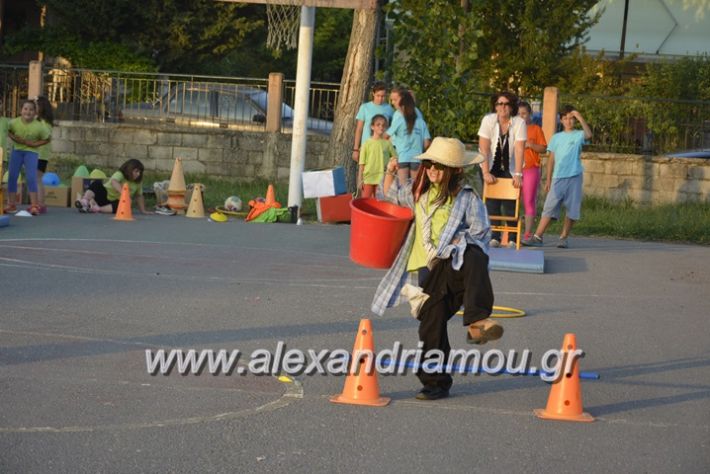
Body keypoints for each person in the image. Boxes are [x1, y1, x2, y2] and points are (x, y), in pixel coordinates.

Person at [371, 137, 502, 401]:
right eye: (430, 165)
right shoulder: (417, 194)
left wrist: (459, 241)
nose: (433, 171)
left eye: (440, 166)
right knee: (432, 325)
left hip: (452, 265)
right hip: (426, 271)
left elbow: (482, 233)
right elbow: (388, 194)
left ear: (455, 170)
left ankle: (477, 320)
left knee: (475, 254)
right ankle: (436, 383)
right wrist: (390, 171)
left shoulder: (466, 197)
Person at [522, 105, 592, 249]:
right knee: (549, 206)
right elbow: (551, 160)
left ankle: (563, 237)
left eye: (571, 119)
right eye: (565, 118)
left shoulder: (579, 135)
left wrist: (579, 116)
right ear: (561, 120)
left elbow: (589, 135)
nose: (569, 121)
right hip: (558, 177)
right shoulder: (556, 137)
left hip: (574, 176)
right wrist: (548, 179)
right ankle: (538, 236)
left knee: (572, 208)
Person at [477, 91, 526, 248]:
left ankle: (512, 238)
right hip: (489, 165)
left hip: (511, 168)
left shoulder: (519, 123)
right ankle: (494, 237)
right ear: (495, 106)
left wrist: (518, 174)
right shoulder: (488, 120)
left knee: (511, 202)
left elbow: (519, 149)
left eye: (506, 104)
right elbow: (484, 149)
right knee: (492, 202)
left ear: (512, 107)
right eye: (499, 104)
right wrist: (485, 172)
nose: (502, 107)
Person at [5, 100, 51, 215]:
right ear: (21, 110)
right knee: (12, 177)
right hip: (17, 151)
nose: (28, 111)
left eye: (31, 109)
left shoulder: (39, 127)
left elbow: (47, 138)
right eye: (25, 109)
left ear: (35, 112)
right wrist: (14, 138)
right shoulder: (13, 123)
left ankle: (34, 206)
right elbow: (8, 131)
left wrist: (34, 144)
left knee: (31, 178)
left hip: (31, 153)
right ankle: (11, 204)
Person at [387, 88, 431, 186]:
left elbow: (391, 137)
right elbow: (426, 141)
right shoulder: (419, 115)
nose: (393, 102)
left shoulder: (398, 114)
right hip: (417, 157)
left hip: (402, 155)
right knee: (415, 186)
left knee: (403, 187)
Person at [75, 159, 151, 215]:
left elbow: (139, 196)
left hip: (113, 203)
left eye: (140, 172)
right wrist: (124, 194)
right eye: (136, 171)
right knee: (97, 183)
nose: (138, 174)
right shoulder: (120, 174)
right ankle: (85, 200)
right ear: (129, 170)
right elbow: (114, 181)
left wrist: (143, 210)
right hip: (104, 195)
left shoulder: (137, 182)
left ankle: (97, 209)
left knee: (121, 206)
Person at [518, 101, 547, 241]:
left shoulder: (536, 129)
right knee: (513, 200)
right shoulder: (513, 129)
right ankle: (512, 232)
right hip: (515, 170)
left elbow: (543, 148)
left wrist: (530, 145)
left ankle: (527, 234)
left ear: (529, 114)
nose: (521, 116)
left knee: (529, 200)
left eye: (524, 113)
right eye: (518, 114)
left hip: (531, 169)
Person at [352, 81, 394, 163]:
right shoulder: (365, 107)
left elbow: (392, 130)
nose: (380, 99)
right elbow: (359, 129)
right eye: (378, 96)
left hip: (382, 148)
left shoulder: (389, 109)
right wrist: (356, 149)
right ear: (373, 94)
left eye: (383, 96)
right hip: (367, 147)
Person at [357, 114, 397, 199]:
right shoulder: (366, 144)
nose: (381, 127)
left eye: (383, 125)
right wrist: (359, 179)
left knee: (379, 203)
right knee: (365, 202)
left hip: (381, 180)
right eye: (378, 125)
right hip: (368, 179)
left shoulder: (388, 144)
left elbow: (395, 158)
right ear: (372, 127)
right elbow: (361, 164)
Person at [35, 96, 54, 213]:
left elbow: (45, 136)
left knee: (37, 179)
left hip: (40, 155)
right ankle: (39, 203)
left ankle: (40, 204)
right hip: (40, 155)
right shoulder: (44, 122)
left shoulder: (43, 123)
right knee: (37, 179)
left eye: (36, 106)